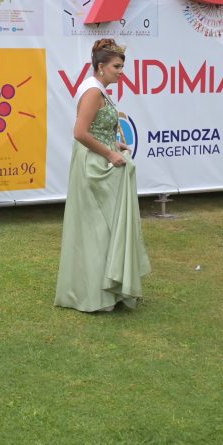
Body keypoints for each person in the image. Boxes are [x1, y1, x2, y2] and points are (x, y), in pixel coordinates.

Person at [55, 38, 150, 312]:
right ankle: (95, 295)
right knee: (97, 230)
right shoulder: (93, 92)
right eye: (116, 67)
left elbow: (96, 128)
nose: (121, 72)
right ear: (100, 67)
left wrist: (114, 143)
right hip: (93, 167)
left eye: (122, 67)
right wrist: (109, 153)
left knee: (105, 230)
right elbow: (79, 132)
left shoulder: (98, 90)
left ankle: (107, 291)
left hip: (99, 163)